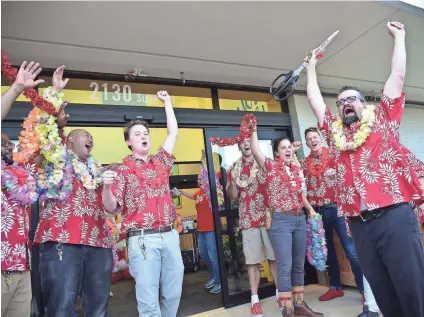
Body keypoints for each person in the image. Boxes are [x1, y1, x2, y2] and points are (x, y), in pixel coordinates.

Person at [305, 21, 424, 317]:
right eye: (341, 101)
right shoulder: (333, 134)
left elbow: (397, 75)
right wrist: (310, 70)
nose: (346, 104)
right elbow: (315, 101)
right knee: (383, 294)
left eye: (352, 99)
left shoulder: (383, 119)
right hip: (359, 224)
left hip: (394, 215)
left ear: (364, 104)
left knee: (413, 290)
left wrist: (399, 37)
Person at [102, 91, 184, 317]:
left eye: (146, 132)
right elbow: (112, 207)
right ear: (129, 141)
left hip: (169, 235)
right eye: (137, 133)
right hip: (142, 238)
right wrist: (107, 187)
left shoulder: (161, 162)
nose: (143, 135)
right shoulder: (123, 170)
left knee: (174, 292)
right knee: (148, 300)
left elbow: (173, 133)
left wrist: (168, 102)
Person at [1, 61, 68, 317]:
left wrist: (53, 95)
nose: (9, 147)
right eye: (2, 143)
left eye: (11, 145)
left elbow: (44, 146)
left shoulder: (23, 173)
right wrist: (17, 87)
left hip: (21, 268)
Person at [250, 127, 324, 317]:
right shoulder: (270, 167)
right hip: (280, 220)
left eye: (289, 147)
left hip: (299, 218)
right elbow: (256, 150)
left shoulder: (296, 169)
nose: (288, 150)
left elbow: (301, 194)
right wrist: (253, 130)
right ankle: (287, 309)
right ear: (276, 152)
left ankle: (299, 305)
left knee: (299, 265)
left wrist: (309, 209)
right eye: (283, 148)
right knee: (285, 264)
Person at [300, 127, 364, 301]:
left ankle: (365, 290)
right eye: (309, 138)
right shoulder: (304, 164)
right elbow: (299, 186)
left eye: (315, 137)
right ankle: (335, 287)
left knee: (351, 250)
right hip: (317, 212)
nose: (313, 140)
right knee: (327, 252)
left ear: (321, 139)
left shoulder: (335, 157)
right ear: (306, 143)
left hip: (338, 208)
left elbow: (349, 174)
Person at [226, 137, 279, 316]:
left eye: (249, 141)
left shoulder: (265, 162)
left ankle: (281, 294)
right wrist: (233, 182)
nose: (247, 144)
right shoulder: (233, 168)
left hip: (268, 217)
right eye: (243, 142)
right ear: (239, 145)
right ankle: (254, 299)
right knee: (252, 262)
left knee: (274, 258)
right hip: (248, 219)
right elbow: (233, 197)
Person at [172, 151, 222, 294]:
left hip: (212, 228)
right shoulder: (200, 193)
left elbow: (212, 174)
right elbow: (192, 196)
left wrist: (204, 161)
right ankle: (214, 277)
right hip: (202, 229)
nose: (199, 178)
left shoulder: (210, 190)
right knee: (204, 255)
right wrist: (180, 192)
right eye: (199, 177)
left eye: (202, 176)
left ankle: (219, 282)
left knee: (213, 256)